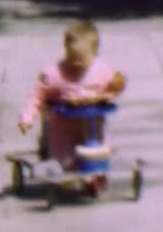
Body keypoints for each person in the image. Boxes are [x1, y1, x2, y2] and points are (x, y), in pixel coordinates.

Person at [18, 19, 125, 171]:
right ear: (65, 50)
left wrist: (118, 84)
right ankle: (71, 172)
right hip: (64, 127)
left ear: (94, 54)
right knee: (66, 159)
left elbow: (113, 87)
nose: (76, 64)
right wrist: (27, 117)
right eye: (71, 58)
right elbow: (37, 95)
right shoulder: (55, 74)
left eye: (81, 60)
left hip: (93, 126)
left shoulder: (101, 70)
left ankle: (97, 173)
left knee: (100, 151)